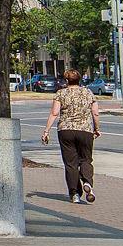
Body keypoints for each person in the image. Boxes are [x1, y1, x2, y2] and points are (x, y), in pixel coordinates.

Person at [43, 68, 102, 203]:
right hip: (85, 130)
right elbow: (95, 113)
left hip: (65, 131)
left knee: (70, 164)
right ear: (79, 79)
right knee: (86, 159)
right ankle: (87, 182)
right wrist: (97, 128)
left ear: (66, 80)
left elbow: (54, 113)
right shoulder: (88, 93)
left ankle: (74, 193)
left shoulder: (61, 94)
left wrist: (46, 130)